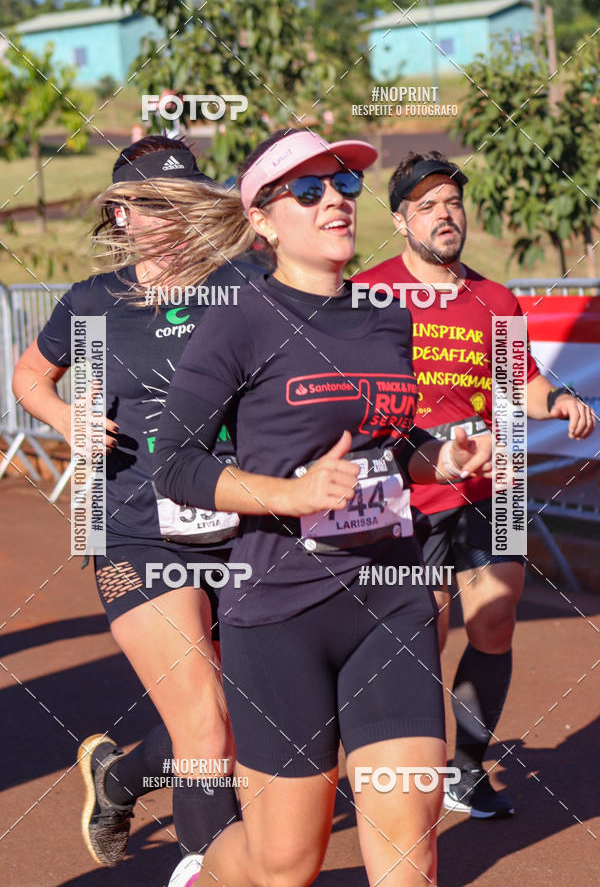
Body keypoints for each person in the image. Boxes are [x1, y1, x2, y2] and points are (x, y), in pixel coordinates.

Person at [153, 128, 494, 886]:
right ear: (264, 220)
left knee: (410, 847)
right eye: (308, 190)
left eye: (343, 184)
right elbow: (173, 463)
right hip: (280, 608)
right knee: (285, 864)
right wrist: (291, 494)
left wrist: (443, 455)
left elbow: (390, 445)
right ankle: (204, 873)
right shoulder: (240, 318)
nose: (335, 199)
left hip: (392, 598)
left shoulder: (387, 315)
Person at [11, 135, 261, 869]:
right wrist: (67, 419)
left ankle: (118, 778)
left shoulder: (244, 286)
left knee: (235, 718)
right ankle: (211, 873)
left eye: (184, 204)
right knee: (207, 726)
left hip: (246, 528)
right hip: (132, 532)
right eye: (153, 205)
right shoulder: (94, 302)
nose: (172, 219)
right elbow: (30, 377)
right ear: (120, 213)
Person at [357, 150, 595, 819]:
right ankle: (394, 767)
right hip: (407, 488)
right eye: (427, 206)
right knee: (422, 632)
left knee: (496, 618)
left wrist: (561, 401)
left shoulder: (495, 299)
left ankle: (464, 769)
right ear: (401, 221)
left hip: (495, 484)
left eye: (453, 203)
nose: (445, 215)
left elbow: (522, 382)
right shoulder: (368, 293)